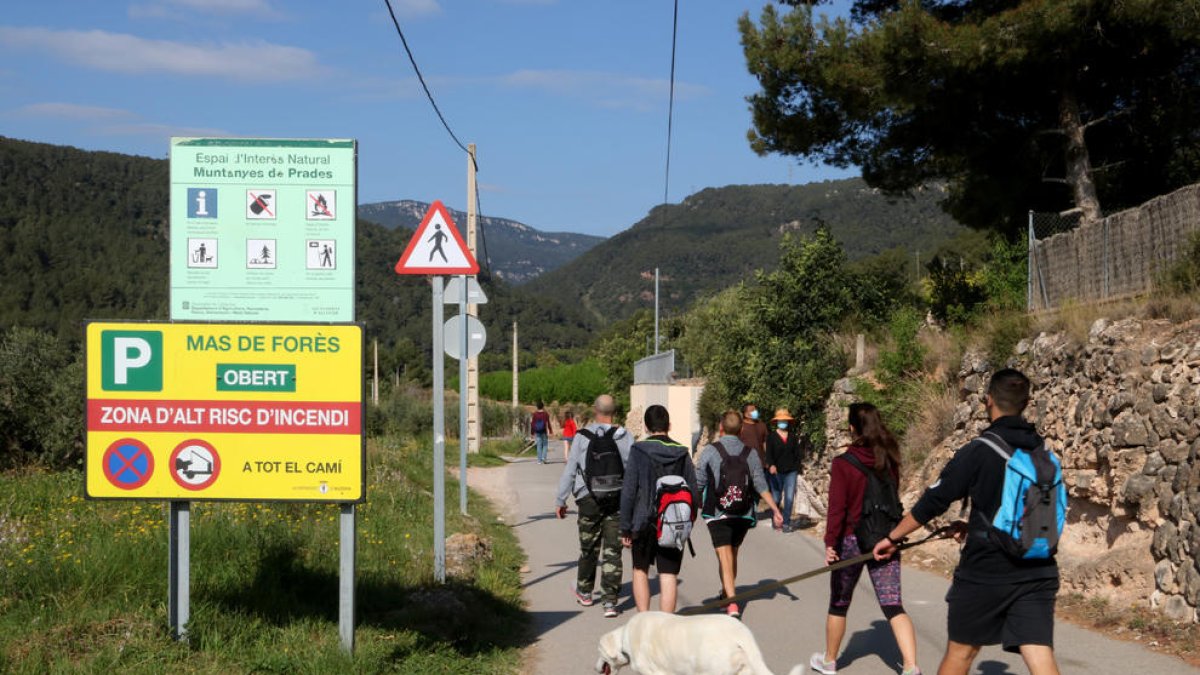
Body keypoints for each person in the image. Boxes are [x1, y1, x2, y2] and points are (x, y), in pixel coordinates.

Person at [873, 369, 1061, 675]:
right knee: (1039, 653)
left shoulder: (979, 450)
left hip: (986, 571)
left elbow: (933, 502)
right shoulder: (1041, 452)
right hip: (1038, 567)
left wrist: (892, 538)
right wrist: (972, 526)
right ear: (1026, 404)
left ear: (988, 401)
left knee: (961, 653)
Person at [810, 402, 920, 675]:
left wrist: (830, 544)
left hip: (851, 541)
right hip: (886, 539)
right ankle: (910, 667)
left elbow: (837, 509)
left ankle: (830, 662)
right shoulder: (890, 458)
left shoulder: (843, 463)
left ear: (851, 428)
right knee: (893, 604)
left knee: (839, 603)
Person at [695, 409, 784, 619]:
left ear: (721, 427)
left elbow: (698, 481)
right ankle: (726, 592)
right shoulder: (750, 453)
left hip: (718, 511)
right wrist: (775, 509)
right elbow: (760, 485)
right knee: (732, 553)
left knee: (724, 556)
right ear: (741, 429)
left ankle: (732, 603)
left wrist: (689, 504)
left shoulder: (710, 450)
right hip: (743, 513)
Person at [555, 394, 633, 618]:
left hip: (587, 497)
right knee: (613, 549)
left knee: (588, 547)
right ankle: (610, 601)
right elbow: (632, 470)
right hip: (617, 498)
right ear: (614, 412)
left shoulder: (582, 436)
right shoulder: (625, 435)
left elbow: (571, 469)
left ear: (595, 410)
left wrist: (561, 500)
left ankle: (585, 591)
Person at [619, 404, 698, 613]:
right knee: (669, 573)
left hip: (643, 521)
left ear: (645, 427)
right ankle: (666, 627)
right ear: (669, 425)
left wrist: (625, 527)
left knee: (640, 569)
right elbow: (694, 492)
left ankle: (645, 622)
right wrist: (688, 521)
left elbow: (628, 491)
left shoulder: (638, 451)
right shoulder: (682, 453)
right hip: (673, 521)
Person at [764, 408, 803, 533]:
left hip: (791, 471)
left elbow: (797, 454)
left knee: (789, 498)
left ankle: (786, 523)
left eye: (785, 420)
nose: (783, 422)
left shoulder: (792, 436)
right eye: (781, 420)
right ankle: (776, 519)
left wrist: (797, 468)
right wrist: (771, 465)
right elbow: (768, 454)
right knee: (776, 498)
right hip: (776, 472)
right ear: (777, 421)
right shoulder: (771, 437)